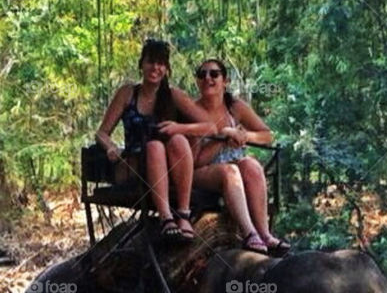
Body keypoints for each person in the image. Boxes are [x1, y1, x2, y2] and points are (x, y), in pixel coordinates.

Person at [95, 39, 214, 241]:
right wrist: (111, 147)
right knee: (155, 146)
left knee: (177, 140)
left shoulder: (173, 95)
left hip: (169, 167)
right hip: (134, 165)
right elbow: (101, 133)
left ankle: (183, 214)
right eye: (151, 62)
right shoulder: (128, 93)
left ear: (167, 69)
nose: (155, 68)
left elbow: (211, 125)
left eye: (161, 64)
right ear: (142, 64)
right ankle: (166, 217)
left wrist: (180, 128)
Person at [190, 59, 289, 255]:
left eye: (214, 74)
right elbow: (194, 161)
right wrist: (222, 139)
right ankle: (248, 232)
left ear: (225, 80)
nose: (208, 78)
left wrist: (244, 135)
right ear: (198, 82)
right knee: (230, 170)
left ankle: (264, 233)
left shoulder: (235, 107)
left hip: (234, 167)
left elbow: (267, 136)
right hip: (201, 172)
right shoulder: (192, 111)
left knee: (251, 164)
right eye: (203, 75)